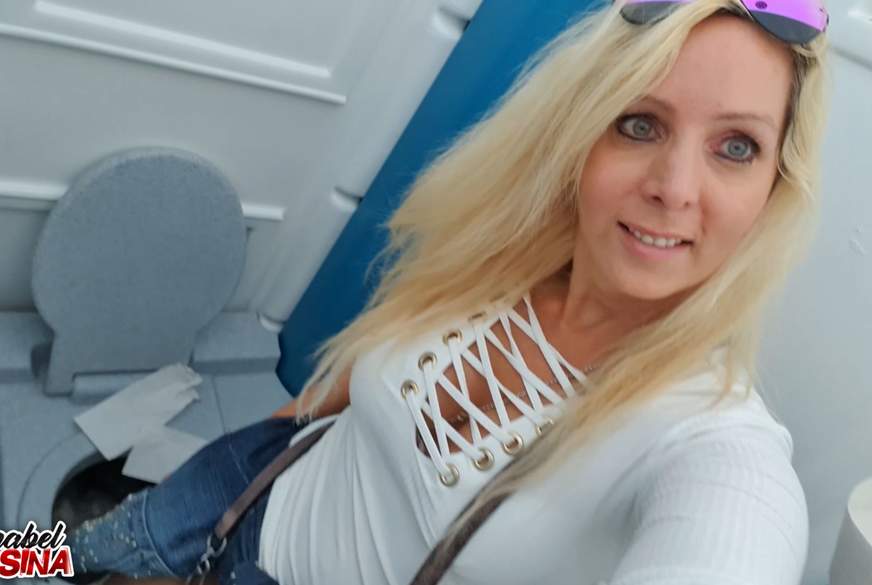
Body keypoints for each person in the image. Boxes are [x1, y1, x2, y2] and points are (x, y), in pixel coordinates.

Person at [67, 0, 829, 583]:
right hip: (240, 487)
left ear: (775, 186)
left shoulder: (714, 443)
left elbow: (730, 540)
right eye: (639, 124)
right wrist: (246, 449)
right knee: (56, 558)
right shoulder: (498, 264)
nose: (674, 187)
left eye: (736, 146)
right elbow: (351, 382)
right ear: (582, 140)